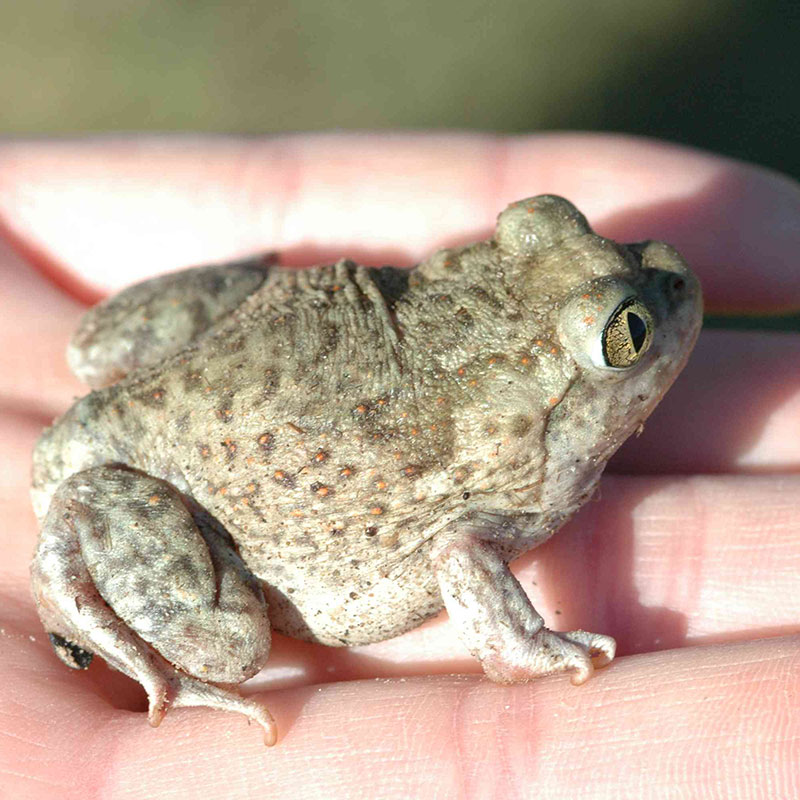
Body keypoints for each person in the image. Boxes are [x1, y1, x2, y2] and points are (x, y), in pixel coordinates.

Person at [1, 133, 798, 798]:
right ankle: (78, 586)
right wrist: (521, 647)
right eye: (627, 337)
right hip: (170, 489)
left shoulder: (503, 386)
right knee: (228, 648)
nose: (658, 264)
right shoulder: (517, 453)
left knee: (97, 350)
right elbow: (460, 552)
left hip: (227, 381)